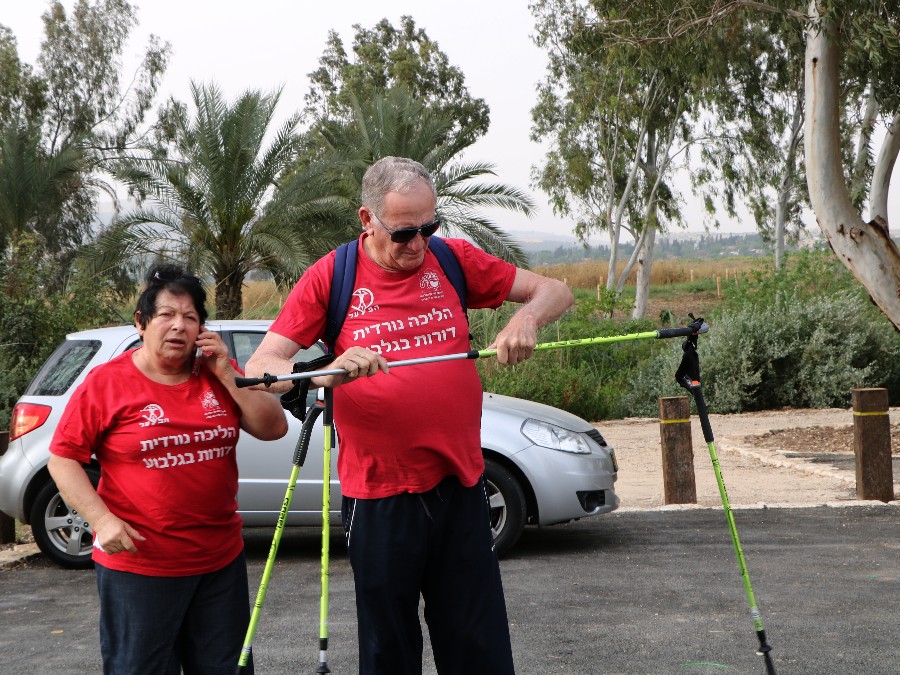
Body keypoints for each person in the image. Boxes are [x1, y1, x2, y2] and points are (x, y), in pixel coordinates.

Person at [246, 156, 573, 675]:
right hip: (380, 499)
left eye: (429, 227)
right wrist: (330, 369)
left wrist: (526, 319)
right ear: (366, 219)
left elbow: (555, 290)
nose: (418, 244)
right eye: (403, 233)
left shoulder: (452, 260)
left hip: (462, 487)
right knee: (390, 652)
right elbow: (264, 366)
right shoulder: (334, 275)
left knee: (479, 650)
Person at [48, 265, 288, 675]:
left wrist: (228, 373)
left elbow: (273, 428)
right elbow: (63, 458)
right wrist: (101, 520)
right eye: (166, 315)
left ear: (201, 329)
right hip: (140, 566)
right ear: (141, 323)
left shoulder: (216, 374)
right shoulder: (106, 383)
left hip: (218, 562)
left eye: (190, 317)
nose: (179, 326)